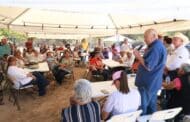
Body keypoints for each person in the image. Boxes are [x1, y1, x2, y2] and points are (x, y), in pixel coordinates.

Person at [134, 29, 167, 115]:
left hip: (148, 83)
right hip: (153, 82)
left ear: (153, 36)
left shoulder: (155, 48)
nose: (144, 39)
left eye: (146, 37)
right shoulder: (157, 46)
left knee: (143, 107)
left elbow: (149, 67)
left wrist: (138, 56)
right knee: (151, 106)